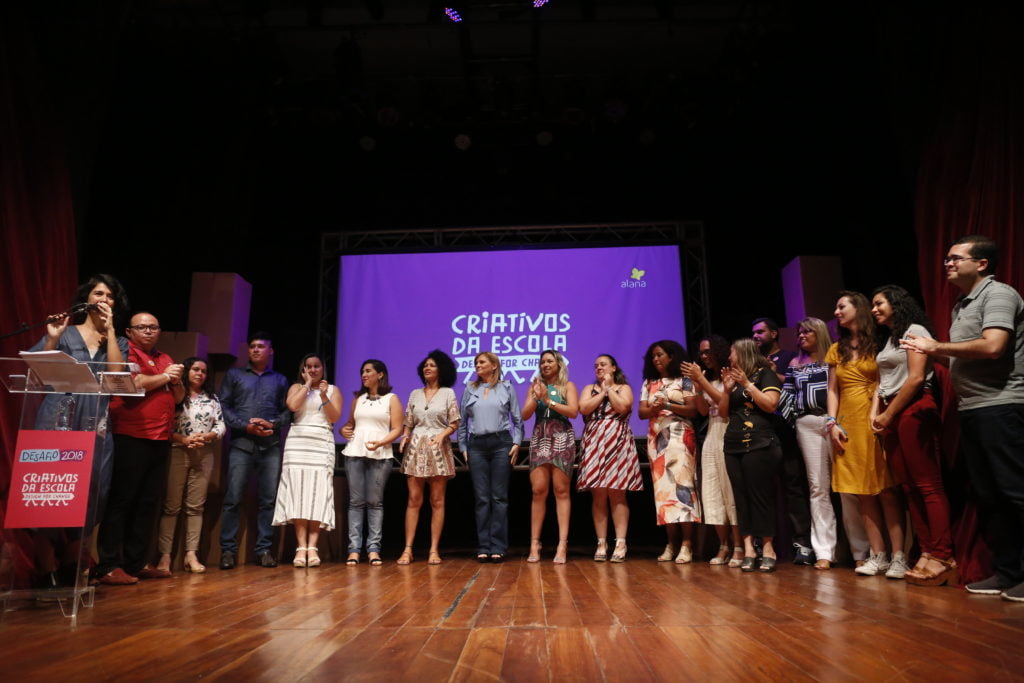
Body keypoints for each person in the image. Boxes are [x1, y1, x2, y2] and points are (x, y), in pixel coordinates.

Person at [901, 235, 1024, 600]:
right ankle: (1007, 572)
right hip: (972, 409)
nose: (947, 264)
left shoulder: (998, 295)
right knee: (988, 495)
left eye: (956, 258)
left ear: (982, 263)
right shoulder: (961, 304)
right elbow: (960, 358)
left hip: (1002, 405)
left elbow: (993, 346)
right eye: (946, 259)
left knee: (1014, 492)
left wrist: (935, 346)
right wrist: (929, 353)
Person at [30, 274, 130, 583]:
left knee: (90, 491)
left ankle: (73, 565)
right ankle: (46, 568)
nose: (104, 299)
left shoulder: (120, 341)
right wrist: (51, 337)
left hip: (94, 423)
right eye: (98, 293)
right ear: (86, 299)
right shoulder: (65, 333)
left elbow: (116, 375)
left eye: (110, 296)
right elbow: (36, 373)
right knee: (47, 490)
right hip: (56, 418)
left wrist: (111, 331)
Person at [869, 285, 955, 586]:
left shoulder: (915, 329)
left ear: (896, 302)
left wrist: (889, 415)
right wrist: (876, 414)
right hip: (891, 410)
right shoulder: (889, 338)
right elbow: (883, 381)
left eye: (879, 303)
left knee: (927, 484)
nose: (874, 309)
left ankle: (943, 554)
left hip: (914, 406)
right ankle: (927, 551)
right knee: (908, 487)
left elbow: (916, 377)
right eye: (872, 305)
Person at [95, 312, 184, 585]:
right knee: (123, 499)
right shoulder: (125, 352)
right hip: (130, 435)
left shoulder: (165, 358)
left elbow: (178, 397)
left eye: (153, 327)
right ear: (129, 331)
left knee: (148, 502)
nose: (148, 331)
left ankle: (136, 563)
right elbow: (132, 385)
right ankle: (109, 564)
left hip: (160, 437)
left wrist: (175, 380)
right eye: (142, 327)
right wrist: (165, 377)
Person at [827, 292, 907, 578]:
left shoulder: (882, 342)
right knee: (861, 492)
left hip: (875, 417)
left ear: (857, 309)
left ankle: (899, 556)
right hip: (847, 421)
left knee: (885, 488)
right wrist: (831, 422)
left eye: (841, 306)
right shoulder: (837, 348)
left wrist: (876, 415)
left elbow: (883, 381)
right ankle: (878, 554)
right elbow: (833, 390)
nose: (836, 312)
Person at [218, 332, 291, 570]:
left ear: (271, 351)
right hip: (241, 444)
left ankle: (263, 550)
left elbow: (287, 412)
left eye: (261, 346)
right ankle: (228, 551)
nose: (256, 350)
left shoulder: (280, 379)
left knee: (268, 500)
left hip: (270, 446)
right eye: (252, 347)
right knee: (233, 498)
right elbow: (224, 406)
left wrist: (274, 424)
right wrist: (246, 426)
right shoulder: (235, 375)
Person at [154, 357, 224, 574]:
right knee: (172, 506)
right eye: (195, 369)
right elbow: (164, 426)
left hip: (204, 454)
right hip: (178, 451)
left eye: (203, 371)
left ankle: (190, 554)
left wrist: (210, 435)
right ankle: (165, 556)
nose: (200, 374)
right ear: (187, 372)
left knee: (196, 507)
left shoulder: (212, 398)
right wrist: (183, 439)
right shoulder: (175, 397)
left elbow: (221, 424)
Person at [753, 316, 814, 565]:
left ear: (775, 334)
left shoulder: (790, 357)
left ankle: (802, 543)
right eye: (753, 333)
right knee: (761, 490)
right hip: (762, 434)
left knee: (794, 487)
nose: (756, 336)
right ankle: (763, 544)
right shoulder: (753, 364)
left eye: (760, 332)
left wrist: (771, 371)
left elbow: (790, 384)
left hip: (786, 432)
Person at [273, 354, 342, 568]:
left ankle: (313, 546)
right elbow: (293, 406)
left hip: (321, 442)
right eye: (308, 367)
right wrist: (307, 385)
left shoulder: (332, 390)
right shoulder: (296, 387)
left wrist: (322, 395)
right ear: (303, 370)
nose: (313, 370)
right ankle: (300, 547)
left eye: (316, 366)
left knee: (317, 492)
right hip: (298, 442)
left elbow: (334, 417)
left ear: (323, 368)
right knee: (299, 493)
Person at [719, 339, 782, 573]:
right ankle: (748, 547)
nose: (729, 357)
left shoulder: (764, 374)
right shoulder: (734, 379)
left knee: (759, 496)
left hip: (760, 442)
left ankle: (768, 548)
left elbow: (770, 405)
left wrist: (747, 384)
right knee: (741, 497)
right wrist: (726, 391)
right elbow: (724, 414)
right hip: (733, 443)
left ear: (743, 353)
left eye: (732, 353)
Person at [639, 340, 703, 564]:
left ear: (672, 356)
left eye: (660, 355)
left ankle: (687, 544)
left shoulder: (684, 380)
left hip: (680, 437)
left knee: (682, 487)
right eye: (653, 356)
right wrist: (654, 408)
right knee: (664, 494)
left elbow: (694, 410)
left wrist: (667, 405)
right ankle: (671, 543)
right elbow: (641, 413)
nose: (656, 359)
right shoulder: (650, 382)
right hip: (657, 440)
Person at [457, 352, 523, 563]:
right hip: (476, 446)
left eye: (482, 362)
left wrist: (517, 443)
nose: (477, 365)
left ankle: (498, 546)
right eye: (476, 362)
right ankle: (483, 546)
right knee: (482, 499)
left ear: (494, 366)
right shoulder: (470, 388)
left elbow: (518, 420)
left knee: (499, 497)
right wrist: (463, 446)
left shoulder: (506, 387)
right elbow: (462, 422)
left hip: (500, 444)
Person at [683, 335, 742, 567]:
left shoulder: (731, 373)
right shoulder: (706, 377)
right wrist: (697, 387)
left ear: (719, 351)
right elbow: (701, 410)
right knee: (712, 492)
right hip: (711, 434)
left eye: (708, 352)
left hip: (730, 432)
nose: (704, 356)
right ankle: (723, 545)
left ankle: (738, 546)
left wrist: (702, 381)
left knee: (730, 492)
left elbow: (725, 406)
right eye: (701, 353)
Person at [576, 354, 641, 563]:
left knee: (617, 493)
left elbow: (623, 407)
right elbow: (584, 408)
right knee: (599, 494)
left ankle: (621, 542)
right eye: (596, 366)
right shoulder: (589, 389)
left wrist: (609, 389)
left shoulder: (624, 388)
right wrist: (601, 391)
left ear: (613, 368)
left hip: (617, 441)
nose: (599, 368)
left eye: (603, 365)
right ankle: (601, 542)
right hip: (594, 441)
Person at [397, 350, 460, 565]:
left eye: (432, 365)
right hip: (416, 448)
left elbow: (454, 422)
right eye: (425, 365)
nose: (427, 368)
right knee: (414, 499)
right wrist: (405, 436)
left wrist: (442, 435)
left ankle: (434, 549)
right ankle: (408, 549)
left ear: (441, 369)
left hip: (438, 448)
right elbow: (408, 422)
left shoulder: (447, 393)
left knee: (437, 500)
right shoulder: (415, 393)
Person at [784, 318, 838, 570]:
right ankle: (824, 551)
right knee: (818, 488)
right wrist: (794, 420)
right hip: (806, 424)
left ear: (820, 332)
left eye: (807, 331)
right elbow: (787, 398)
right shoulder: (795, 363)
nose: (801, 335)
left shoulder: (834, 356)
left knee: (849, 487)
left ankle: (863, 549)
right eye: (799, 332)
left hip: (834, 421)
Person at [341, 359, 403, 566]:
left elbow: (397, 429)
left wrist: (380, 442)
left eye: (368, 371)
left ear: (381, 374)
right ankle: (354, 550)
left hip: (380, 454)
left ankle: (374, 549)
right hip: (355, 453)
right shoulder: (358, 399)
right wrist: (343, 430)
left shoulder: (391, 399)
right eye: (362, 372)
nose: (364, 375)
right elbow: (350, 424)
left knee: (375, 503)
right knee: (356, 503)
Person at [521, 350, 579, 564]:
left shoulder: (568, 386)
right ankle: (534, 543)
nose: (545, 365)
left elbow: (573, 411)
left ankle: (562, 544)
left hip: (561, 436)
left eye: (549, 361)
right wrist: (537, 398)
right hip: (540, 436)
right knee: (538, 490)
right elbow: (524, 415)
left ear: (558, 364)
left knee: (561, 490)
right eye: (542, 362)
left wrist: (549, 400)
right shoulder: (534, 385)